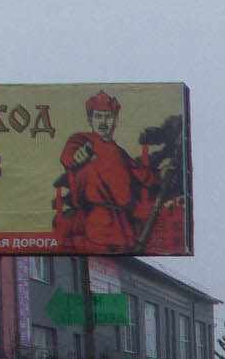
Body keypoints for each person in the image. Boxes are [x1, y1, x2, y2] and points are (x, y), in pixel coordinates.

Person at [51, 91, 170, 253]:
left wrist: (162, 174)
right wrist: (79, 156)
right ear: (90, 120)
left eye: (107, 116)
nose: (103, 122)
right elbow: (69, 156)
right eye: (98, 116)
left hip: (123, 224)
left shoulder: (121, 153)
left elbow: (145, 176)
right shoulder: (81, 139)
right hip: (97, 222)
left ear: (115, 120)